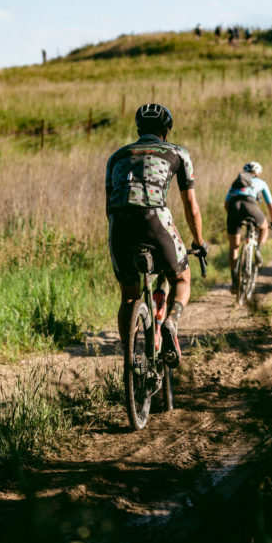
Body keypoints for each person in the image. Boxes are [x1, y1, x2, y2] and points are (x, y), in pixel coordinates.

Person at [106, 104, 207, 370]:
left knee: (129, 296)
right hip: (155, 220)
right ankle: (171, 322)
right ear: (166, 130)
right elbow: (191, 207)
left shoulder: (116, 157)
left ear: (138, 129)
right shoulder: (177, 152)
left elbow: (109, 205)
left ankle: (129, 359)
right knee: (182, 279)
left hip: (119, 224)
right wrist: (199, 242)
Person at [224, 161, 272, 293]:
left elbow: (226, 204)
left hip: (233, 207)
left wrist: (235, 218)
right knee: (264, 227)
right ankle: (258, 249)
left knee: (234, 247)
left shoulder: (236, 182)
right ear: (258, 173)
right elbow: (270, 205)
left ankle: (234, 280)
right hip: (250, 205)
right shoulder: (261, 182)